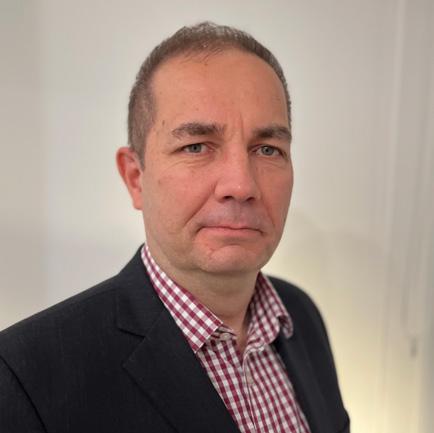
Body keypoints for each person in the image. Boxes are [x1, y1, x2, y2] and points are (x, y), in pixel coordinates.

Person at [0, 22, 349, 433]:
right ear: (135, 178)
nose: (241, 185)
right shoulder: (25, 376)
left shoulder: (301, 316)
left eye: (268, 149)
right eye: (196, 146)